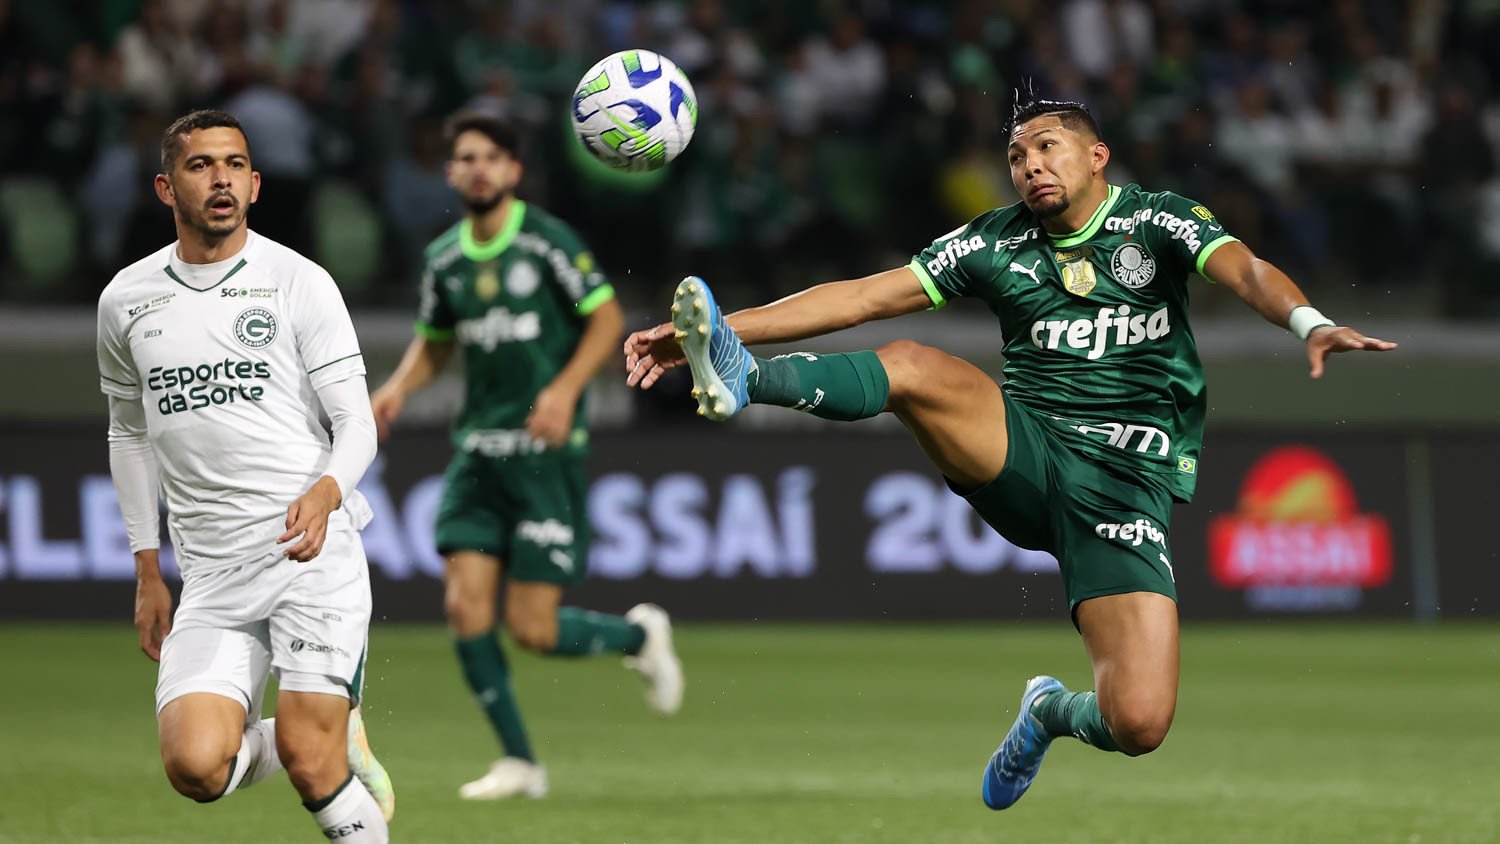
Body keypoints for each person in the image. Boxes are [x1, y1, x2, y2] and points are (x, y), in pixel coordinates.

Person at [624, 91, 1396, 809]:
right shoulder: (992, 241)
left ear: (1097, 157)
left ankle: (1048, 709)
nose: (1030, 166)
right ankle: (744, 374)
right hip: (1025, 449)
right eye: (1018, 157)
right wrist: (720, 326)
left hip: (1126, 489)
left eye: (1047, 148)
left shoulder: (1159, 221)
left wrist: (1308, 322)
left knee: (1141, 722)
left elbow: (1246, 269)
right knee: (916, 366)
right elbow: (861, 295)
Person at [370, 111, 685, 801]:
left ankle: (636, 638)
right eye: (465, 157)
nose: (477, 168)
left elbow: (606, 319)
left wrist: (565, 391)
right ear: (451, 172)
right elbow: (437, 339)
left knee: (533, 629)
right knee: (464, 606)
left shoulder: (546, 242)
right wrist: (394, 390)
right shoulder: (444, 258)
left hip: (545, 456)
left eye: (491, 157)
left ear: (513, 171)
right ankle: (520, 762)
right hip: (477, 455)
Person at [97, 110, 394, 841]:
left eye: (234, 164)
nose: (220, 177)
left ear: (256, 184)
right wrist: (146, 569)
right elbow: (129, 434)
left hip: (311, 553)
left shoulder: (299, 282)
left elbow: (356, 422)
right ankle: (330, 723)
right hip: (212, 572)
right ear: (168, 188)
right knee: (196, 767)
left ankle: (323, 732)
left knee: (308, 759)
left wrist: (327, 493)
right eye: (201, 165)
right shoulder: (127, 301)